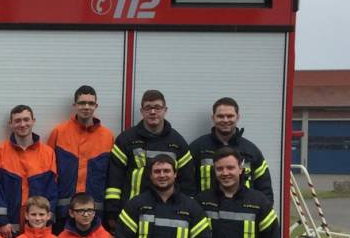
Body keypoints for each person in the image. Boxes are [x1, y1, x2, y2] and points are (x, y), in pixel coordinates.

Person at [104, 90, 193, 228]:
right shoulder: (126, 139)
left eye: (157, 108)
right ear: (142, 111)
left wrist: (187, 210)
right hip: (131, 212)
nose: (152, 112)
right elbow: (115, 178)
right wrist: (112, 211)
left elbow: (187, 182)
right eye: (148, 108)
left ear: (165, 110)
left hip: (167, 211)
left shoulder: (178, 142)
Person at [48, 85, 114, 226]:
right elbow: (49, 173)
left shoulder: (107, 136)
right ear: (75, 105)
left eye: (90, 103)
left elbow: (111, 176)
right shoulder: (59, 133)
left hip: (95, 213)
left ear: (96, 105)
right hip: (63, 212)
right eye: (82, 103)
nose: (86, 107)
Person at [0, 104, 59, 238]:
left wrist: (48, 218)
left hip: (39, 226)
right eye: (17, 120)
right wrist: (2, 221)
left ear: (33, 120)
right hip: (9, 229)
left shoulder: (48, 153)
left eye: (26, 119)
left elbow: (52, 189)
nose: (22, 124)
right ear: (10, 124)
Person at [187, 97, 274, 202]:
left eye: (230, 116)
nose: (225, 120)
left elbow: (265, 191)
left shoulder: (251, 151)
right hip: (207, 214)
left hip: (243, 213)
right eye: (220, 116)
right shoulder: (198, 148)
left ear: (237, 117)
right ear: (213, 118)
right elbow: (185, 185)